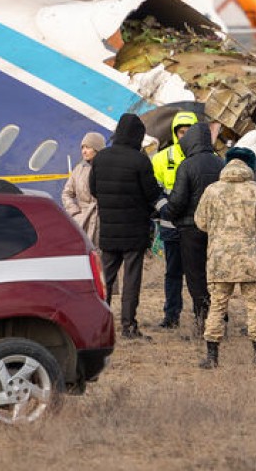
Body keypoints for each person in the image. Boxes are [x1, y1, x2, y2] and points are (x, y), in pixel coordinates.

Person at [193, 147, 256, 368]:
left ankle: (212, 357)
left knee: (217, 305)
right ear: (250, 165)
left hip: (220, 259)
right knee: (255, 306)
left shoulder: (212, 191)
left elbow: (200, 222)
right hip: (252, 259)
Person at [89, 113, 163, 340]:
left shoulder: (101, 158)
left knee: (106, 279)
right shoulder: (140, 160)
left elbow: (93, 190)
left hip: (109, 229)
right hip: (134, 230)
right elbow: (151, 193)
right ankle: (128, 325)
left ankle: (100, 325)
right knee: (132, 278)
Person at [165, 120, 224, 334]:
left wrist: (166, 214)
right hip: (218, 229)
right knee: (215, 275)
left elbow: (178, 200)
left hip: (190, 229)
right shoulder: (220, 163)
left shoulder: (187, 165)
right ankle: (219, 318)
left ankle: (203, 321)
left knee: (195, 275)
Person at [150, 111, 200, 329]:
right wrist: (164, 210)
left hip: (197, 227)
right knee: (172, 273)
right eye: (181, 132)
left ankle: (202, 314)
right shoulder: (161, 158)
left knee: (198, 273)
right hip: (171, 226)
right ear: (175, 133)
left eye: (189, 132)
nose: (185, 136)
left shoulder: (206, 159)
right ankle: (171, 315)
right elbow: (154, 189)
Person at [62, 132, 105, 247]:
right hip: (82, 221)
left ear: (97, 149)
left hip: (103, 223)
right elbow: (67, 193)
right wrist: (75, 212)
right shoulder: (79, 169)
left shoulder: (107, 169)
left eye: (88, 147)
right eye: (83, 147)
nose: (84, 151)